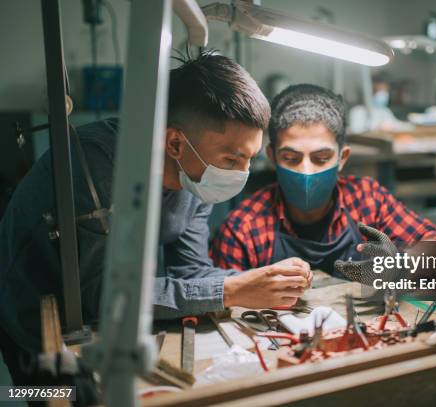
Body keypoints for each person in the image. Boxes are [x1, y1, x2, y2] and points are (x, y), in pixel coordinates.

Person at [0, 52, 311, 368]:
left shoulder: (198, 176)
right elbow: (101, 296)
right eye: (232, 160)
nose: (240, 175)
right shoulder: (95, 166)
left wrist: (266, 281)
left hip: (102, 317)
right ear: (175, 143)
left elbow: (190, 271)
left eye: (249, 159)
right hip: (37, 315)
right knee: (59, 394)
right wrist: (231, 290)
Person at [212, 84, 436, 275]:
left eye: (321, 158)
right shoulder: (244, 229)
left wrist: (405, 262)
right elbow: (220, 308)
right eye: (291, 157)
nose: (306, 171)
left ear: (342, 158)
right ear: (272, 157)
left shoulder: (368, 202)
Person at [348, 72, 415, 134]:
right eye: (380, 90)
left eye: (386, 90)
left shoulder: (385, 111)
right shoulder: (358, 111)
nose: (384, 94)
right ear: (371, 90)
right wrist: (377, 128)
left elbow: (398, 125)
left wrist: (412, 123)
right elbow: (355, 132)